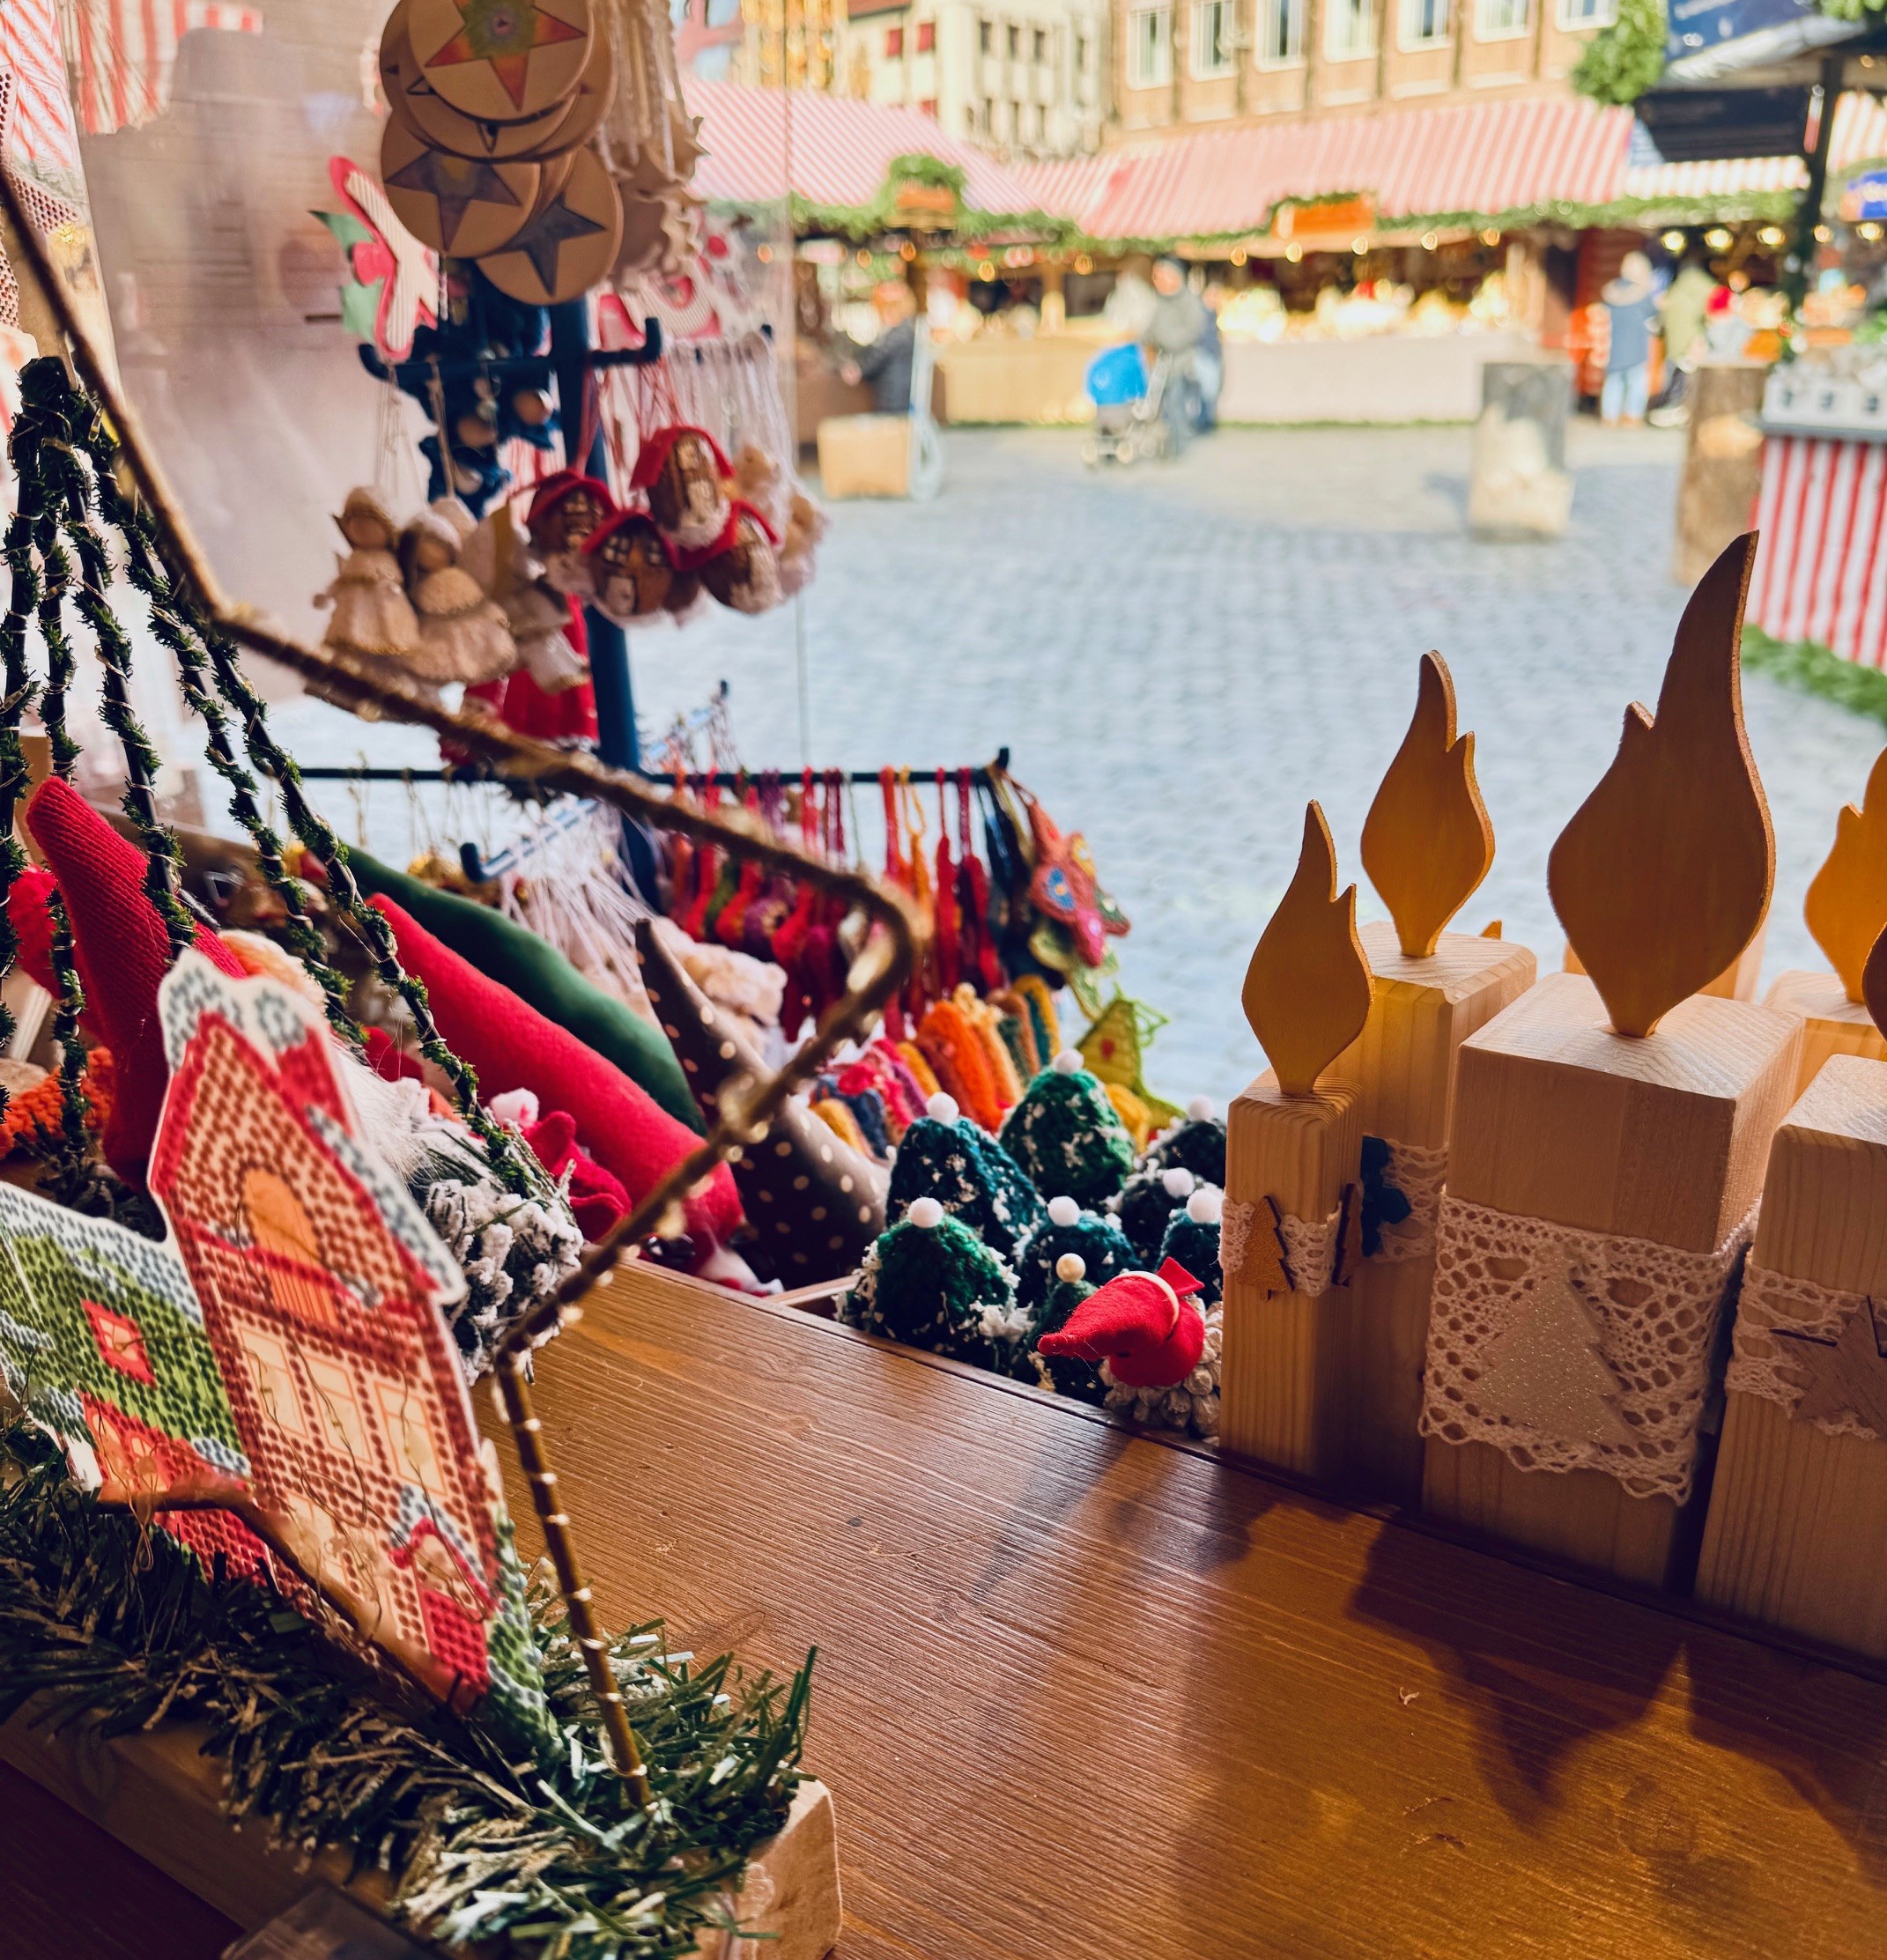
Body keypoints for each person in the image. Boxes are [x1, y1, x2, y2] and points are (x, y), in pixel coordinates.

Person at [1147, 257, 1207, 443]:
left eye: (1162, 275)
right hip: (1160, 364)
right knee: (1158, 402)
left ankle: (1178, 439)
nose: (1158, 280)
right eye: (1156, 276)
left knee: (1176, 401)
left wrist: (1167, 339)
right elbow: (1148, 329)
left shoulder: (1188, 301)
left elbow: (1193, 330)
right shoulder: (1157, 302)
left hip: (1182, 363)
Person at [840, 280, 919, 415]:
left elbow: (878, 355)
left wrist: (859, 369)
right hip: (895, 399)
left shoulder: (900, 334)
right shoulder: (905, 331)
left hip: (894, 401)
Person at [1600, 250, 1659, 428]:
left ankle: (1609, 417)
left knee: (1613, 381)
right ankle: (1632, 416)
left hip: (1614, 344)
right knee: (1637, 381)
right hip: (1636, 345)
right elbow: (1654, 314)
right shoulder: (1642, 295)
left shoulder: (1611, 292)